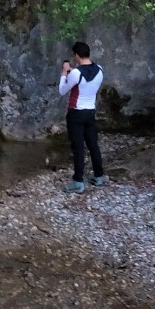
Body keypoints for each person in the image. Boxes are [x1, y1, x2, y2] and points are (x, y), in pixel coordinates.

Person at [58, 41, 106, 194]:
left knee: (78, 147)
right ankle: (99, 176)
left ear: (77, 55)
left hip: (76, 113)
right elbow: (86, 79)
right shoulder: (99, 70)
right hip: (90, 112)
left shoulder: (75, 73)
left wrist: (64, 74)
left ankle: (78, 181)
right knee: (93, 145)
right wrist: (72, 73)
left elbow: (62, 90)